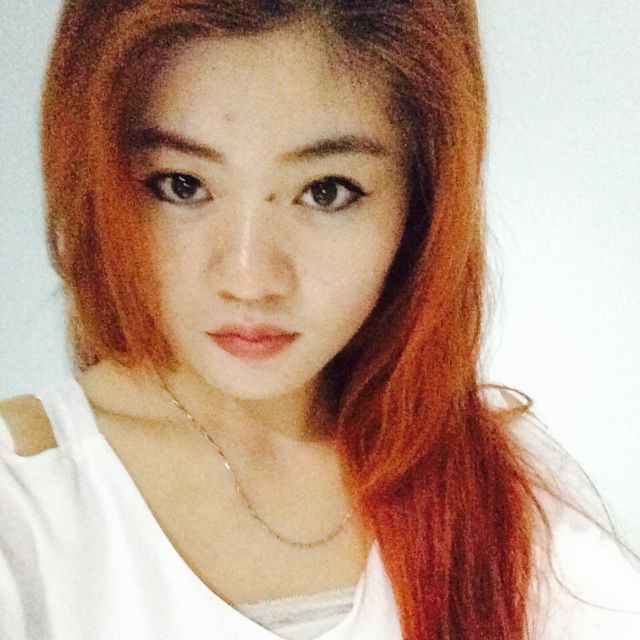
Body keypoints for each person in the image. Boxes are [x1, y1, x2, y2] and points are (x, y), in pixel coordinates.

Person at [0, 1, 639, 639]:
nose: (249, 279)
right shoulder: (23, 498)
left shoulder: (497, 478)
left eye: (325, 191)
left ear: (420, 204)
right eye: (182, 185)